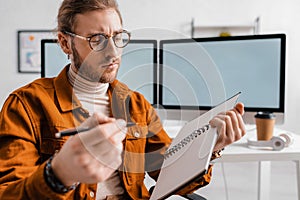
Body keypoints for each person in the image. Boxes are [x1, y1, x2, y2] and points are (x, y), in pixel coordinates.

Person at [0, 0, 246, 199]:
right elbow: (7, 193)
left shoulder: (135, 104)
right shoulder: (25, 105)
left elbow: (166, 173)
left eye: (118, 37)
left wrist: (210, 147)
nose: (113, 52)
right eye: (97, 39)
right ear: (65, 43)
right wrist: (58, 175)